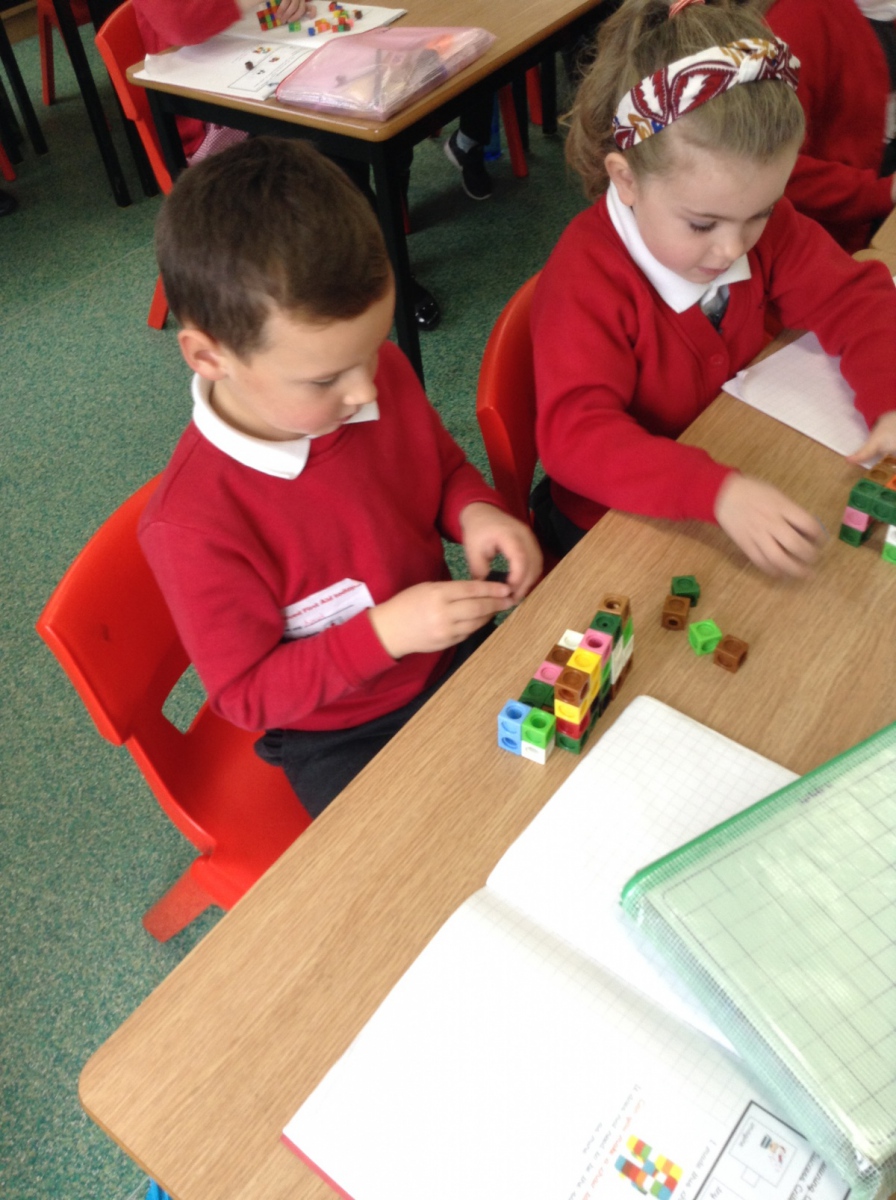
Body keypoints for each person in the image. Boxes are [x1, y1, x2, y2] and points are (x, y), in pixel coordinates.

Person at [139, 136, 542, 817]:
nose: (366, 389)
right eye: (325, 378)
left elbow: (439, 467)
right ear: (209, 357)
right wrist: (384, 635)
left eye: (374, 347)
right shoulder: (192, 526)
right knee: (424, 852)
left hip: (445, 646)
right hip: (340, 729)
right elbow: (247, 695)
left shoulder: (371, 375)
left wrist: (474, 511)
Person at [530, 0, 896, 577]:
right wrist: (716, 492)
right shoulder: (586, 280)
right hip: (610, 521)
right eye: (703, 225)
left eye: (761, 212)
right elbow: (577, 438)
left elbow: (855, 299)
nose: (732, 249)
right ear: (626, 179)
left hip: (730, 464)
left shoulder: (755, 222)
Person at [132, 0, 495, 323]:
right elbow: (181, 22)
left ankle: (380, 233)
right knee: (332, 152)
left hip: (267, 57)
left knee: (384, 90)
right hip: (212, 114)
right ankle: (388, 276)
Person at [760, 0, 896, 253]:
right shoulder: (801, 21)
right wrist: (882, 193)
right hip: (829, 234)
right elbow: (770, 166)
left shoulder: (881, 11)